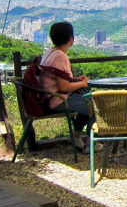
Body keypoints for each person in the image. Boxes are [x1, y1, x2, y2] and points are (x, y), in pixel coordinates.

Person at [39, 21, 93, 151]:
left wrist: (75, 79)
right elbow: (64, 88)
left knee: (87, 99)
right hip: (57, 100)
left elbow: (58, 80)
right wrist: (83, 83)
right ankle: (90, 143)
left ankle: (77, 137)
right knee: (95, 103)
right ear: (71, 39)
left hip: (47, 97)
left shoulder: (50, 52)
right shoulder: (61, 57)